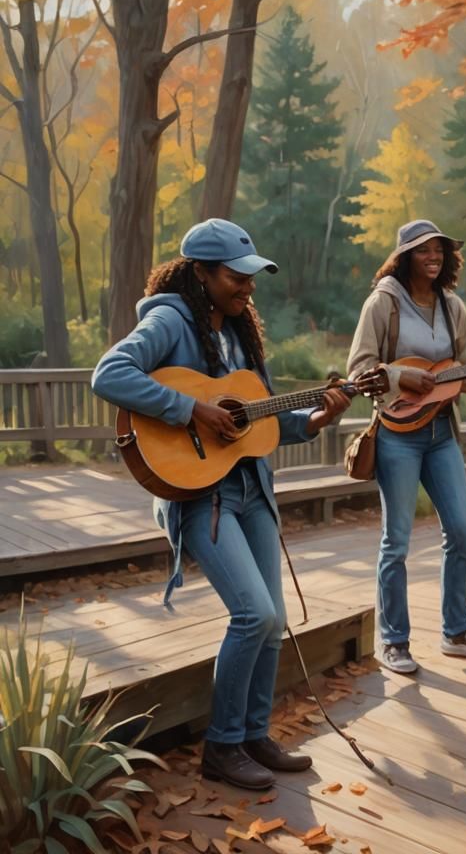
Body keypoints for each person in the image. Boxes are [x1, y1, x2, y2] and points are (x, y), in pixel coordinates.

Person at [92, 218, 351, 791]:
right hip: (199, 494)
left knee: (275, 619)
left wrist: (319, 416)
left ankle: (253, 734)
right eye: (236, 277)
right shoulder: (168, 318)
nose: (247, 288)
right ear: (201, 274)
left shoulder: (241, 334)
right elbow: (109, 374)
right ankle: (223, 746)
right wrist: (189, 410)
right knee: (252, 613)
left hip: (251, 489)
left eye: (252, 278)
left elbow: (259, 424)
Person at [347, 219, 466, 675]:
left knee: (462, 532)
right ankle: (394, 641)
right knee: (396, 541)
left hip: (441, 436)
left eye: (440, 250)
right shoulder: (383, 303)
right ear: (404, 257)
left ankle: (456, 632)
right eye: (423, 251)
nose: (434, 257)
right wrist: (400, 376)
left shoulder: (452, 306)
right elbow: (359, 370)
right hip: (396, 435)